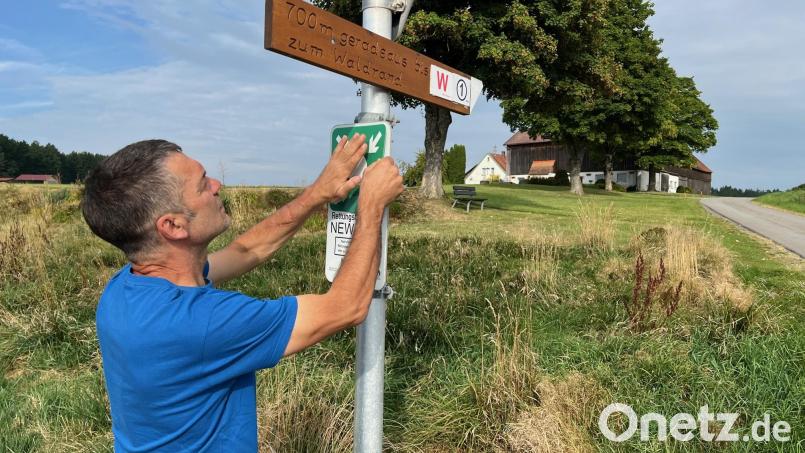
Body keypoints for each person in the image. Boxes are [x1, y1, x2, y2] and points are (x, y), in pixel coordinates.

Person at [80, 136, 403, 452]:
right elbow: (345, 307)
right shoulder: (203, 322)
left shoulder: (124, 289)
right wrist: (372, 206)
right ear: (174, 226)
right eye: (202, 183)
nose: (217, 184)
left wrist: (318, 193)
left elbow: (246, 250)